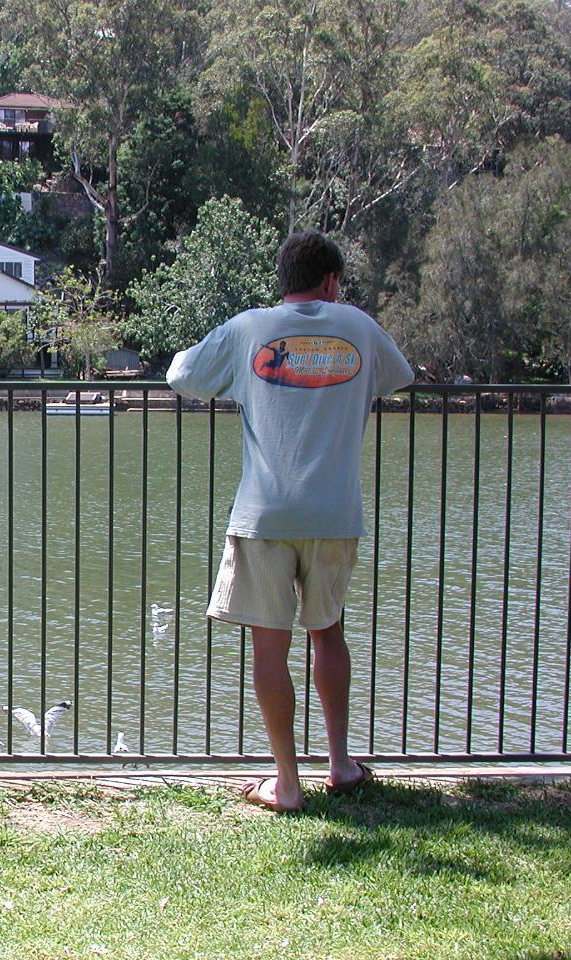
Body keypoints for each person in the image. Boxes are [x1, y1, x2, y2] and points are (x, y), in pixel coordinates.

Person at [166, 230, 413, 813]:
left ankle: (286, 782)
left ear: (284, 279)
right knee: (328, 634)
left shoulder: (247, 329)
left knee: (269, 651)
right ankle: (341, 764)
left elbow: (184, 378)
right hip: (334, 511)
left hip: (265, 514)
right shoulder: (359, 327)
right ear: (331, 281)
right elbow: (398, 376)